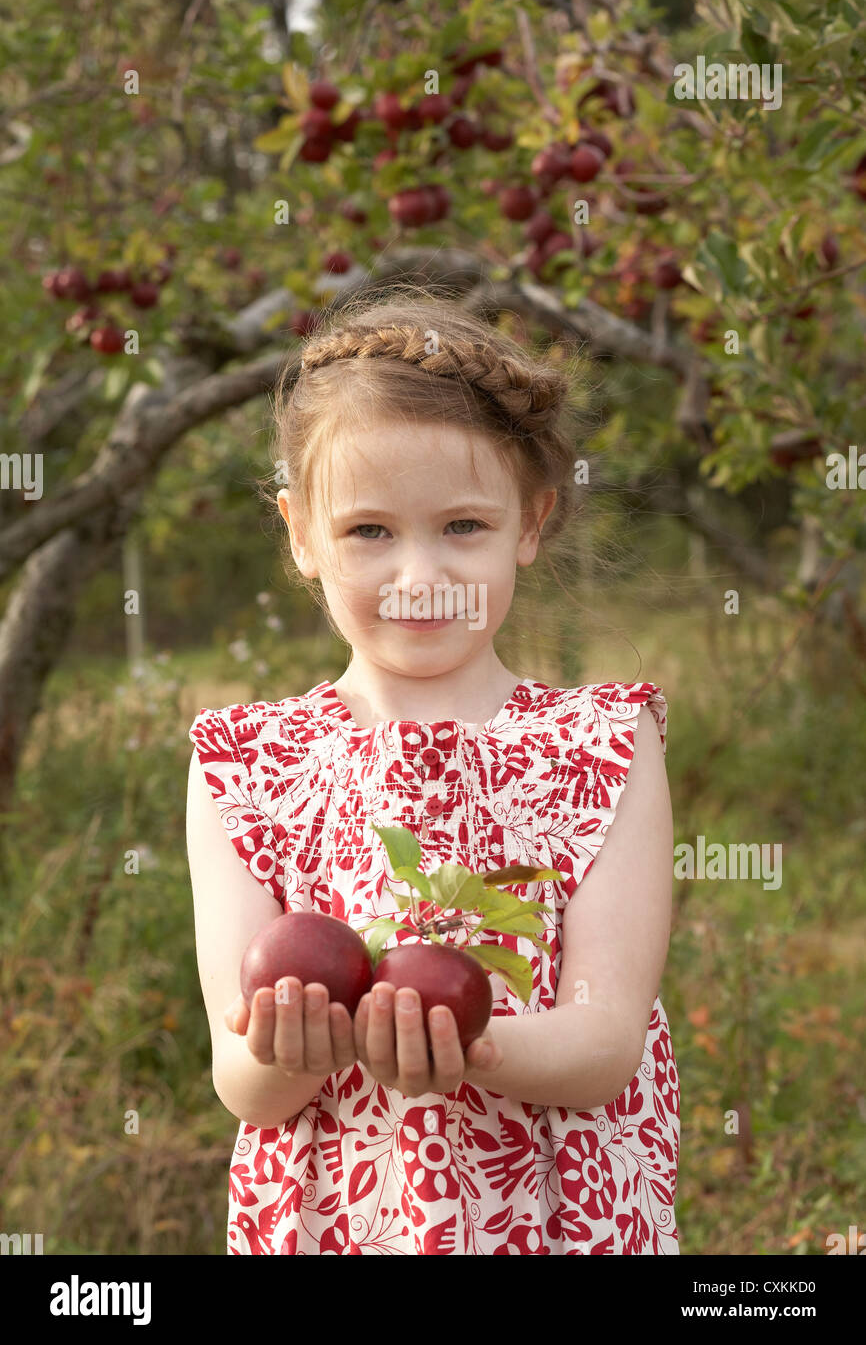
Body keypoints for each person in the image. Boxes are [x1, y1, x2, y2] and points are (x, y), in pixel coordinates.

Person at [186, 287, 679, 1254]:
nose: (420, 576)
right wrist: (292, 1050)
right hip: (343, 1224)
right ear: (299, 534)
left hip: (554, 1222)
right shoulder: (243, 766)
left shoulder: (606, 743)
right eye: (369, 531)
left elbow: (606, 1042)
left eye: (463, 527)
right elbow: (239, 1080)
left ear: (530, 524)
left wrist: (468, 1048)